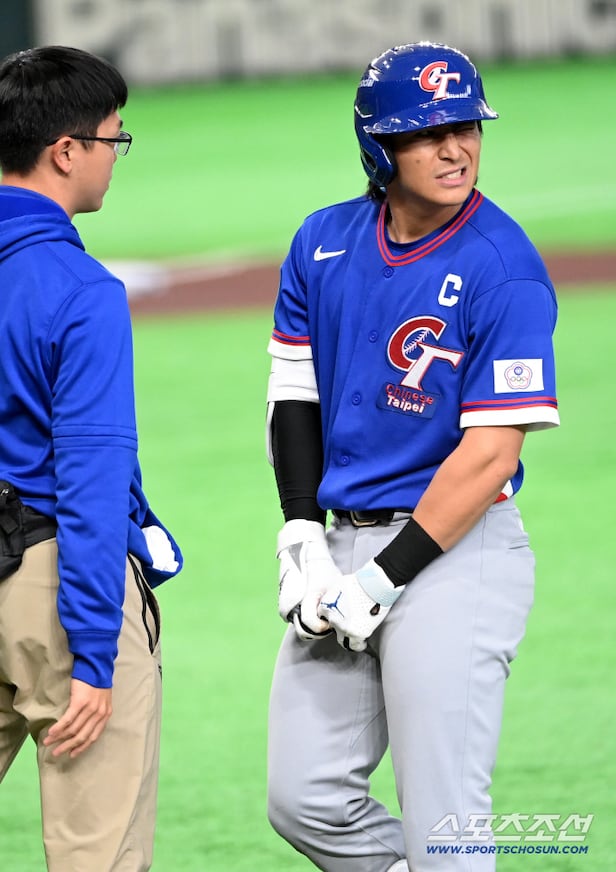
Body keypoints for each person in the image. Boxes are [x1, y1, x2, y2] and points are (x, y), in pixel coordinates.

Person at [265, 42, 559, 871]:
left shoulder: (504, 268)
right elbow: (295, 392)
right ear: (378, 147)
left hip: (456, 552)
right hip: (345, 545)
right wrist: (301, 535)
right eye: (426, 133)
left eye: (464, 125)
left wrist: (384, 577)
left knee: (446, 824)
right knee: (305, 798)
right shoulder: (323, 242)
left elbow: (493, 452)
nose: (455, 148)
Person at [0, 46, 182, 871]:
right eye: (115, 137)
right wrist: (95, 650)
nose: (117, 155)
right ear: (65, 150)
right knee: (95, 858)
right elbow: (92, 478)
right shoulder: (80, 291)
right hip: (53, 589)